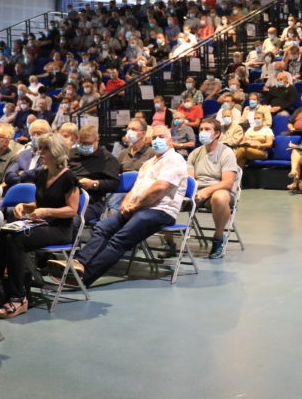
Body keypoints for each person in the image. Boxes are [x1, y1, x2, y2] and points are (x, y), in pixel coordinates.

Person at [49, 125, 186, 286]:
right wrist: (127, 202)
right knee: (102, 227)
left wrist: (135, 206)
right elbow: (135, 189)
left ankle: (84, 277)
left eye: (161, 137)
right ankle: (78, 263)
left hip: (159, 211)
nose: (157, 140)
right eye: (154, 137)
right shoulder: (149, 163)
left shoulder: (175, 160)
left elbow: (159, 189)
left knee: (119, 239)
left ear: (170, 139)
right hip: (138, 208)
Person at [0, 134, 79, 319]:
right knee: (4, 232)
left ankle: (18, 297)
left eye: (45, 149)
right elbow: (38, 204)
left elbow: (72, 210)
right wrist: (25, 206)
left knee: (16, 240)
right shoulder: (42, 174)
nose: (41, 153)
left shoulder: (69, 177)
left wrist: (47, 211)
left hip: (59, 229)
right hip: (41, 224)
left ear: (56, 152)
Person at [187, 119, 240, 259]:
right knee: (169, 197)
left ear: (217, 133)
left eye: (207, 129)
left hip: (220, 190)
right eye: (201, 129)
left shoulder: (226, 153)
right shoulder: (195, 153)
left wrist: (207, 191)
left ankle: (218, 237)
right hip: (198, 192)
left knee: (219, 197)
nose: (202, 133)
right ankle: (170, 243)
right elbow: (190, 180)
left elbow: (227, 182)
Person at [69, 125, 121, 222]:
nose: (84, 146)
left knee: (70, 220)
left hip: (92, 202)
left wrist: (94, 184)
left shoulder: (107, 159)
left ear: (97, 141)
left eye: (87, 143)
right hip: (67, 197)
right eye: (81, 142)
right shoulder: (71, 154)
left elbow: (115, 184)